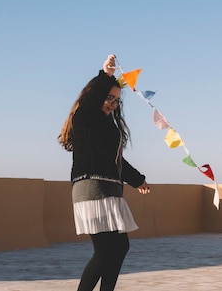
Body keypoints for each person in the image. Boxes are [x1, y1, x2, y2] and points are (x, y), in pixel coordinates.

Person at [58, 54, 151, 291]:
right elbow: (91, 100)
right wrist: (106, 75)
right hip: (92, 187)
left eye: (116, 100)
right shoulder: (85, 116)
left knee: (119, 247)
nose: (112, 102)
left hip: (108, 187)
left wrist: (138, 179)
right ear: (97, 95)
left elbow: (116, 160)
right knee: (106, 249)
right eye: (108, 97)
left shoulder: (107, 125)